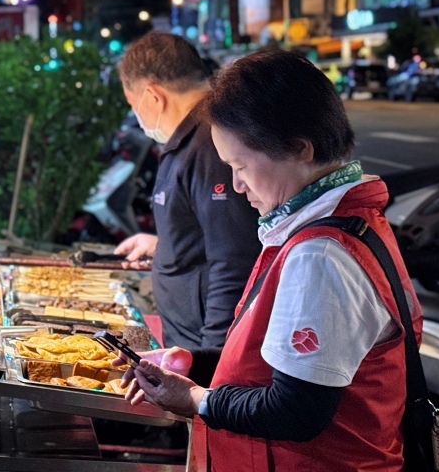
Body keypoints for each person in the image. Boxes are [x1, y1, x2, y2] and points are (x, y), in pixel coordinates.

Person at [120, 49, 422, 471]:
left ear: (299, 148)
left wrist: (194, 399)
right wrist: (195, 361)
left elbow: (296, 410)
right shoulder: (337, 224)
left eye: (240, 166)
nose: (237, 186)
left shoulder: (322, 254)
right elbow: (279, 366)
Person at [115, 32, 261, 355]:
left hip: (203, 354)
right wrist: (166, 246)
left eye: (133, 104)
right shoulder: (188, 138)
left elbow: (233, 261)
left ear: (153, 97)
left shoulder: (212, 144)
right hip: (186, 349)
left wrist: (211, 364)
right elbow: (208, 230)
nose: (138, 117)